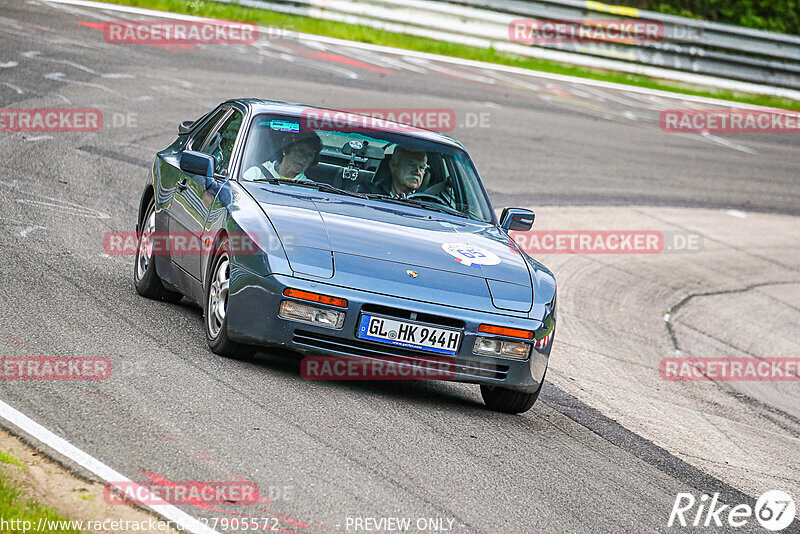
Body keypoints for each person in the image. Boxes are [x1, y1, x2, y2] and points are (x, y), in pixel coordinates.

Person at [243, 131, 322, 182]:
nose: (304, 158)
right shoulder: (256, 173)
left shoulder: (309, 188)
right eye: (300, 151)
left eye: (310, 155)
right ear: (286, 149)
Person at [363, 146, 428, 197]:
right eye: (411, 165)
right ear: (393, 165)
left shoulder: (428, 204)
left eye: (422, 167)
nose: (417, 171)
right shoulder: (369, 195)